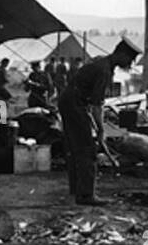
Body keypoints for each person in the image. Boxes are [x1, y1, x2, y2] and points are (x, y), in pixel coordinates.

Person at [58, 39, 140, 205]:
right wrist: (101, 130)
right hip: (74, 104)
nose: (130, 64)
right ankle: (86, 195)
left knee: (75, 147)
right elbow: (97, 105)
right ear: (121, 54)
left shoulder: (102, 63)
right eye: (129, 60)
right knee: (87, 149)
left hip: (70, 101)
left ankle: (77, 189)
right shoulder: (104, 71)